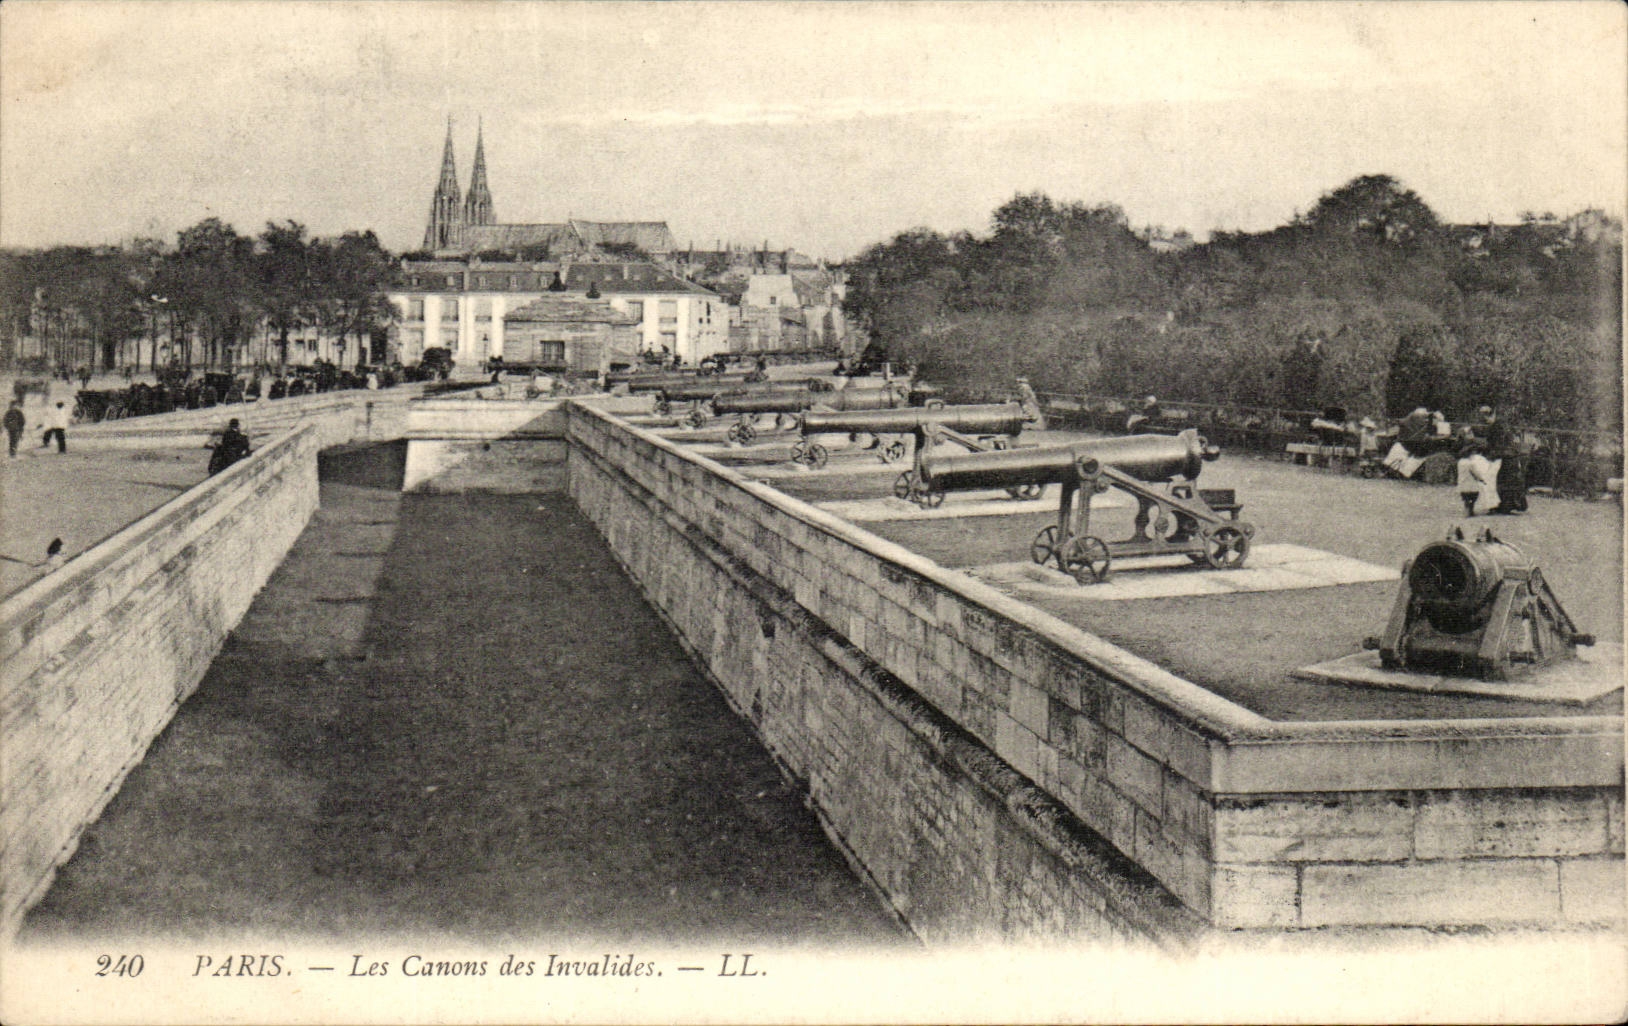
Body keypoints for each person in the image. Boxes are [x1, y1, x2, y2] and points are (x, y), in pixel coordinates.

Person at [1478, 405, 1527, 514]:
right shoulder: (1498, 425)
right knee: (1502, 480)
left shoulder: (1498, 427)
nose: (1486, 420)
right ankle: (1502, 505)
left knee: (1497, 479)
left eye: (1487, 417)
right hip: (1506, 455)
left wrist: (1490, 454)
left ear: (1492, 414)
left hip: (1506, 456)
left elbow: (1498, 444)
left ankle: (1502, 506)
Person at [1456, 441, 1493, 517]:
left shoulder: (1460, 462)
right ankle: (1470, 510)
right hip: (1471, 484)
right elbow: (1475, 473)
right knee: (1472, 498)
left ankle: (1467, 509)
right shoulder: (1470, 463)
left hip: (1462, 482)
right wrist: (1482, 479)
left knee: (1466, 498)